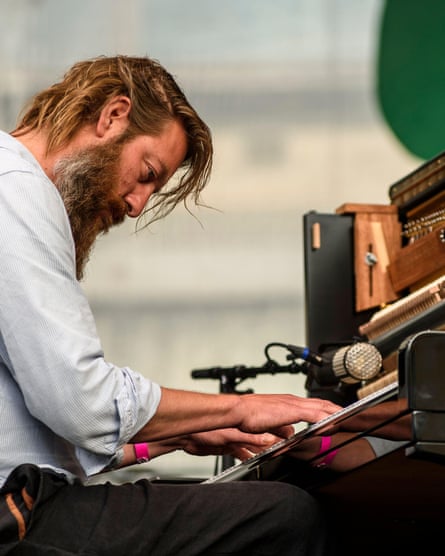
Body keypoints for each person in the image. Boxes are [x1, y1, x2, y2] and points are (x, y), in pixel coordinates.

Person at [0, 55, 342, 555]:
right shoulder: (18, 190)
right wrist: (240, 408)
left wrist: (173, 435)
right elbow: (80, 403)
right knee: (283, 515)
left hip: (25, 504)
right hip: (18, 519)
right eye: (146, 172)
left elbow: (36, 429)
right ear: (112, 116)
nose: (137, 204)